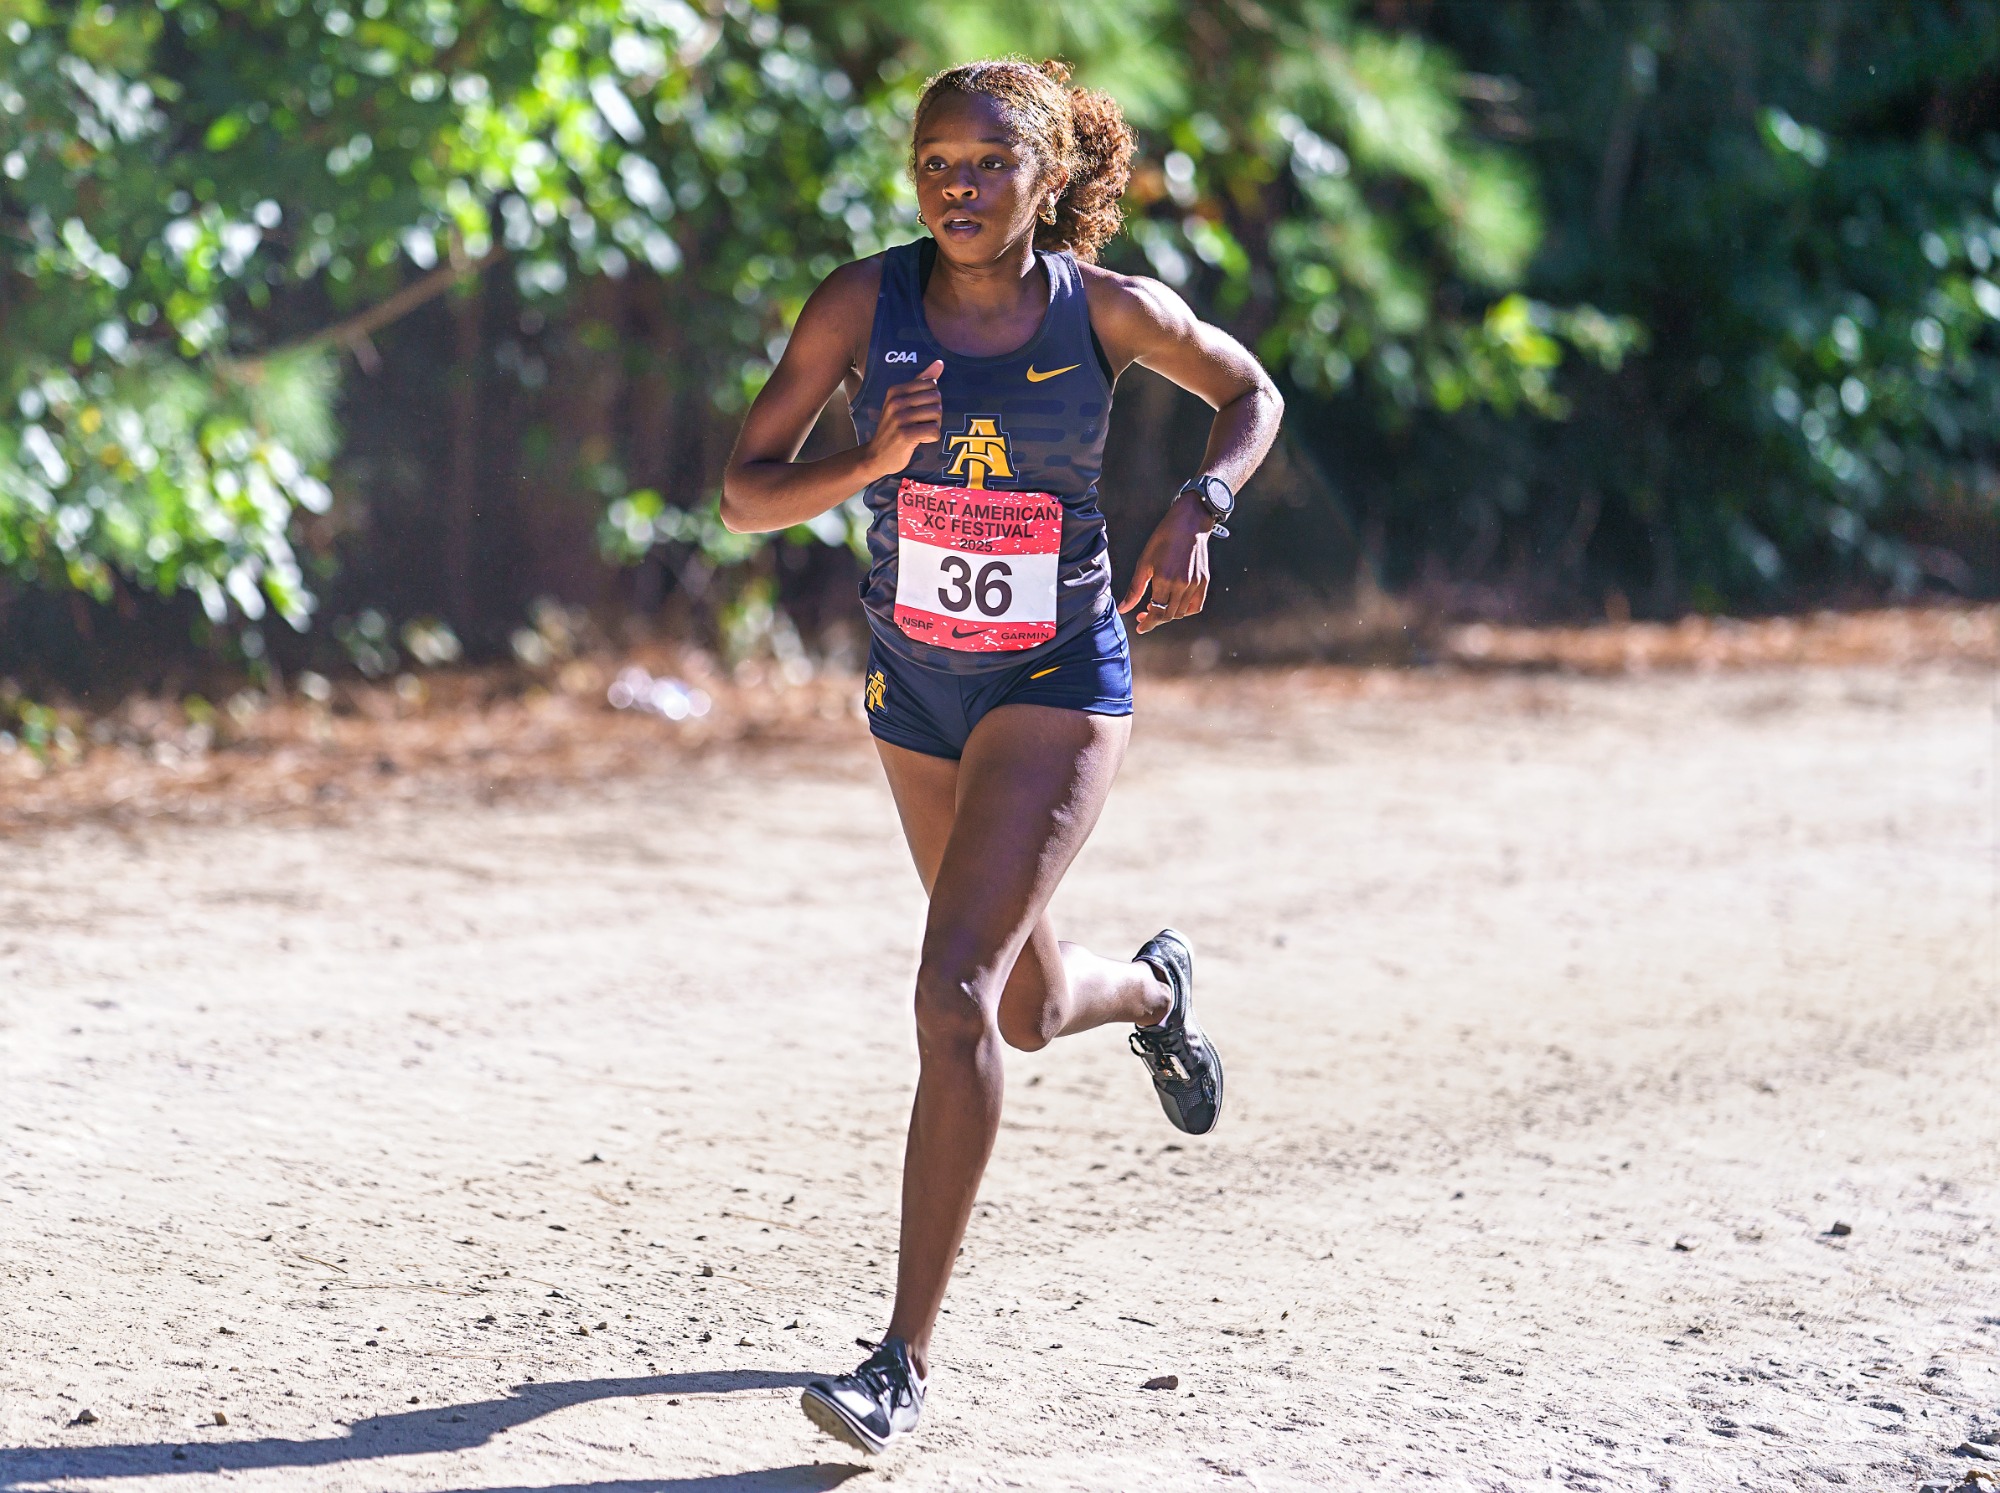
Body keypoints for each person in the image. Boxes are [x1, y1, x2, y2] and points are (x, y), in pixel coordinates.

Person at [720, 57, 1282, 1455]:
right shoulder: (863, 304)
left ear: (1049, 176)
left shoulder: (1110, 310)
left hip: (1057, 676)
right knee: (1025, 1007)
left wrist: (1200, 505)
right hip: (914, 685)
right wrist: (868, 460)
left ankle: (899, 1361)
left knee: (950, 989)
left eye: (987, 162)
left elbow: (1251, 393)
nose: (956, 187)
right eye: (934, 163)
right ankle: (1155, 989)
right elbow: (744, 493)